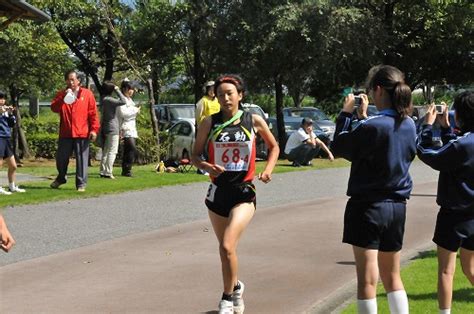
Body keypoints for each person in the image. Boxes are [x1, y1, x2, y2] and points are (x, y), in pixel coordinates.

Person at [331, 65, 416, 314]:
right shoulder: (409, 124)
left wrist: (346, 113)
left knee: (367, 279)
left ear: (377, 90)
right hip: (397, 208)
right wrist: (363, 118)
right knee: (392, 276)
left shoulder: (372, 126)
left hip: (368, 207)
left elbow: (340, 146)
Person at [191, 74, 279, 314]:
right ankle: (237, 286)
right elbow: (195, 156)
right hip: (217, 193)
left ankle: (227, 299)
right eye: (221, 94)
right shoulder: (209, 122)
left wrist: (268, 169)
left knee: (228, 245)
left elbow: (274, 147)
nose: (225, 98)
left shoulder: (253, 120)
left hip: (244, 192)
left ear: (240, 95)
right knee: (225, 249)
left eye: (230, 93)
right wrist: (207, 166)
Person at [416, 92, 474, 314]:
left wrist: (427, 127)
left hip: (453, 214)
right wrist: (448, 130)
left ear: (459, 114)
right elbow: (458, 154)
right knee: (469, 268)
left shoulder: (463, 144)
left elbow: (429, 154)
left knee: (446, 271)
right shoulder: (463, 142)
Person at [50, 70, 100, 192]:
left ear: (78, 80)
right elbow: (54, 108)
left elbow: (93, 114)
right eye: (68, 79)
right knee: (61, 159)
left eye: (73, 79)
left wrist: (94, 130)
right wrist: (63, 97)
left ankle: (81, 184)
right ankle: (61, 177)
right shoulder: (61, 94)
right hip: (66, 133)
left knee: (82, 159)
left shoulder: (87, 94)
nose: (70, 82)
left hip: (82, 132)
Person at [99, 81, 127, 179]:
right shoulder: (110, 100)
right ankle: (108, 172)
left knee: (106, 150)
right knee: (112, 151)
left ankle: (103, 170)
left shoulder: (104, 99)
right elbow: (123, 101)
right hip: (113, 128)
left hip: (106, 127)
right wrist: (117, 90)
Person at [0, 91, 25, 195]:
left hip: (6, 138)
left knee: (13, 165)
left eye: (3, 98)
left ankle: (12, 186)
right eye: (0, 98)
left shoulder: (5, 110)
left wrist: (10, 114)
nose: (2, 101)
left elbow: (11, 124)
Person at [117, 79, 140, 177]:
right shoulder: (121, 100)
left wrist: (134, 110)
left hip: (131, 127)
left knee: (129, 149)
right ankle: (126, 169)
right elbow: (124, 114)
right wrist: (135, 110)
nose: (131, 91)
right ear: (124, 89)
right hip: (125, 127)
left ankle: (127, 169)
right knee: (131, 147)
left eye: (132, 89)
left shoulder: (130, 100)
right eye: (129, 89)